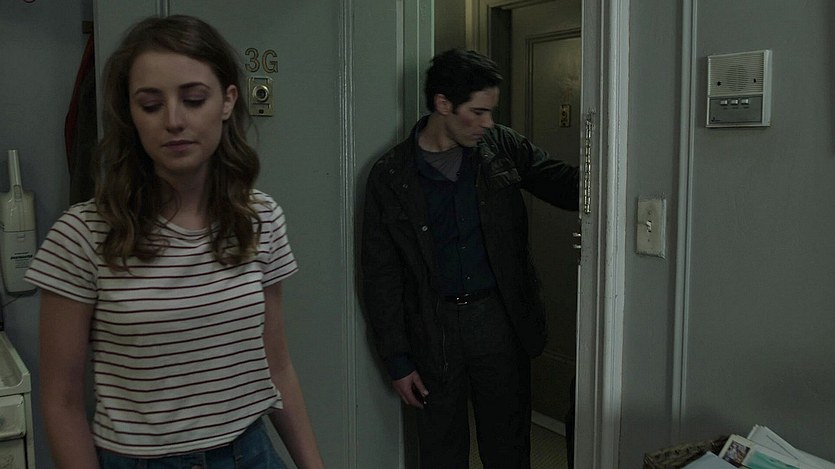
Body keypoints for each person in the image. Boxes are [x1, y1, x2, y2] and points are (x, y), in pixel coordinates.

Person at [24, 15, 324, 469]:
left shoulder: (259, 218)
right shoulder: (82, 234)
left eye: (193, 99)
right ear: (130, 115)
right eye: (150, 105)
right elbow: (61, 400)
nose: (174, 120)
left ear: (227, 101)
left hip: (249, 453)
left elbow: (277, 364)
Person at [361, 48, 579, 469]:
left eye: (489, 112)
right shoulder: (391, 175)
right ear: (443, 104)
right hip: (432, 329)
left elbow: (563, 184)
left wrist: (615, 167)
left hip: (498, 320)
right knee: (441, 453)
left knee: (508, 449)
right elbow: (380, 275)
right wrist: (398, 361)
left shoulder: (502, 147)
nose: (487, 123)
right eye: (478, 112)